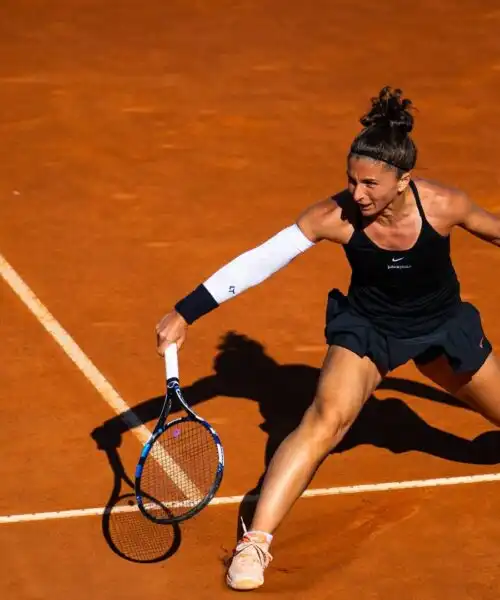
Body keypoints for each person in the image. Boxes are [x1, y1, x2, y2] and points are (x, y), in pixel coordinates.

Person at [155, 86, 500, 591]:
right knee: (325, 421)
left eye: (370, 184)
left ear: (404, 180)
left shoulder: (444, 206)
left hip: (441, 328)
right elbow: (262, 259)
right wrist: (187, 310)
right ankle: (256, 544)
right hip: (369, 330)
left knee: (485, 444)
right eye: (351, 180)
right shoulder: (333, 218)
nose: (357, 194)